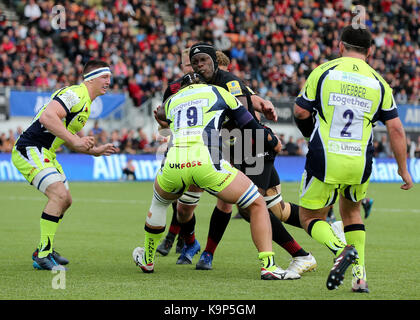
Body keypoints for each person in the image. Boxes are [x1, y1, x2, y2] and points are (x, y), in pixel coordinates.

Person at [132, 73, 300, 280]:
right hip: (206, 160)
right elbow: (249, 124)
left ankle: (148, 260)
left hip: (174, 161)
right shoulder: (218, 91)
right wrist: (270, 139)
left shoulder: (171, 101)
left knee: (158, 203)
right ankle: (269, 266)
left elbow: (161, 119)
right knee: (256, 203)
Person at [293, 25, 413, 292]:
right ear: (369, 51)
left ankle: (340, 250)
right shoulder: (379, 82)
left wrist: (308, 134)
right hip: (360, 162)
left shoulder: (324, 72)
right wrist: (403, 170)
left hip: (326, 156)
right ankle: (360, 278)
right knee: (352, 211)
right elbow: (396, 128)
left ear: (340, 46)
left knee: (309, 217)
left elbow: (300, 112)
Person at [188, 42, 316, 274]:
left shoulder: (229, 83)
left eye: (204, 62)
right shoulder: (198, 84)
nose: (200, 66)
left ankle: (301, 255)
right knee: (275, 208)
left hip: (251, 146)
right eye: (195, 63)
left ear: (215, 64)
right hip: (235, 147)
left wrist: (268, 140)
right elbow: (253, 98)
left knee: (249, 206)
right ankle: (327, 230)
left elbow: (246, 113)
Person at [11, 60, 119, 270]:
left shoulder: (85, 104)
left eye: (109, 77)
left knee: (66, 200)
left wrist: (93, 150)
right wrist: (76, 141)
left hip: (47, 152)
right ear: (91, 78)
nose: (109, 81)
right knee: (59, 196)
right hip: (31, 147)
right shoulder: (75, 93)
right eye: (105, 77)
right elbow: (47, 117)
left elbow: (70, 136)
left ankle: (44, 248)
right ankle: (43, 255)